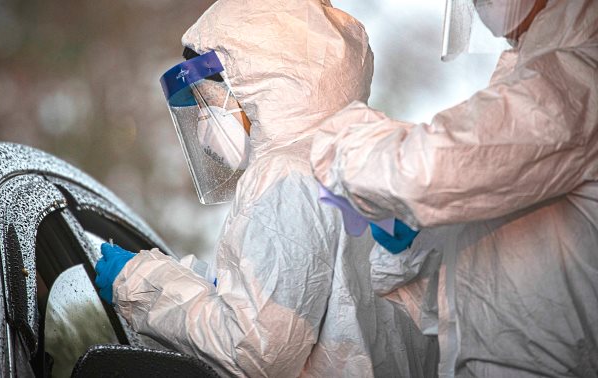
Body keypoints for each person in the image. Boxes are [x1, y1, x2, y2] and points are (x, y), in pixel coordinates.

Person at [94, 0, 439, 377]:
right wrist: (206, 284)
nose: (207, 125)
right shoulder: (363, 156)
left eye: (211, 103)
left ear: (259, 83)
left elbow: (255, 351)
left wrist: (140, 282)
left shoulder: (283, 176)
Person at [310, 0, 598, 376]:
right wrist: (413, 241)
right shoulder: (541, 69)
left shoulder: (573, 78)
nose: (479, 5)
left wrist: (334, 135)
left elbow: (425, 171)